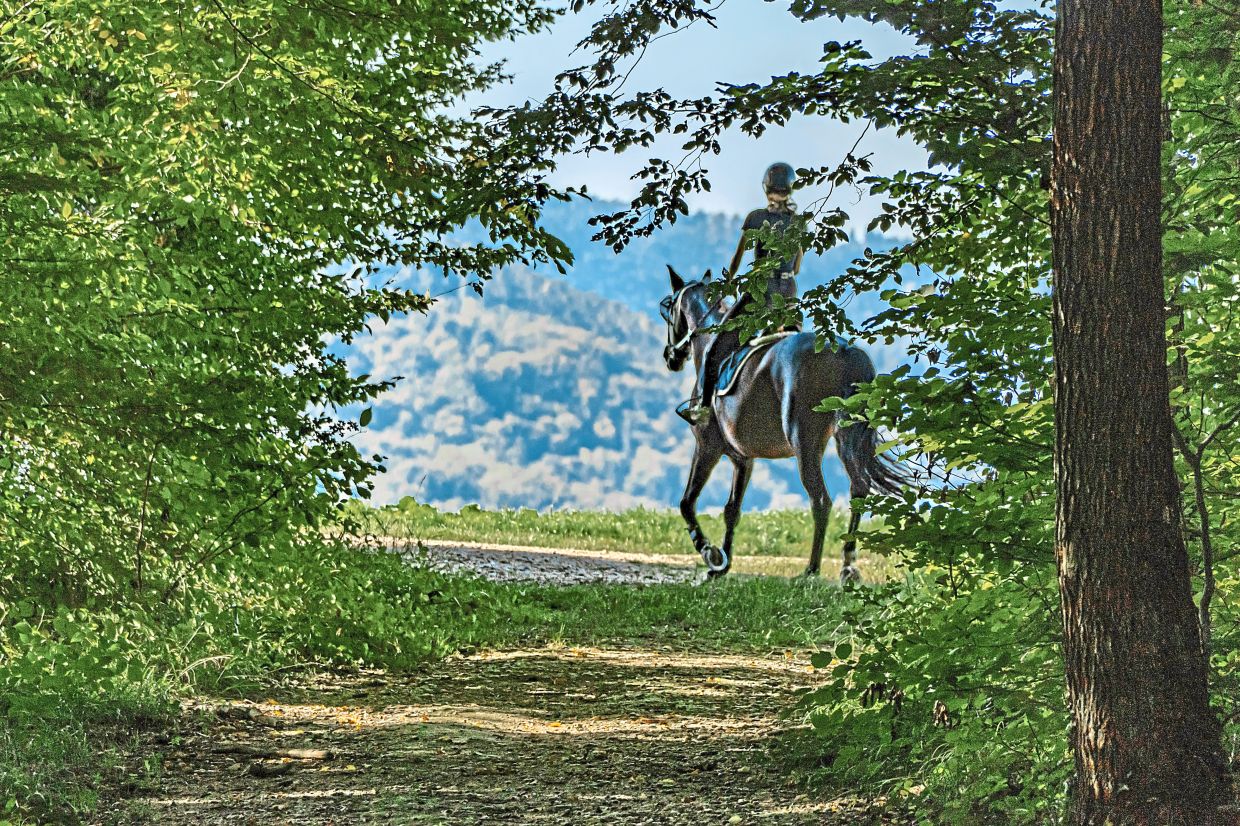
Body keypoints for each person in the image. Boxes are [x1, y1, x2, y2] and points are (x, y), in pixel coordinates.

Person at [680, 162, 804, 425]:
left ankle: (703, 408)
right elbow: (796, 267)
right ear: (791, 188)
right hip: (789, 296)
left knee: (715, 349)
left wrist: (728, 284)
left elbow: (737, 259)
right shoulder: (798, 223)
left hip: (761, 293)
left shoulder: (756, 218)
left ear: (766, 188)